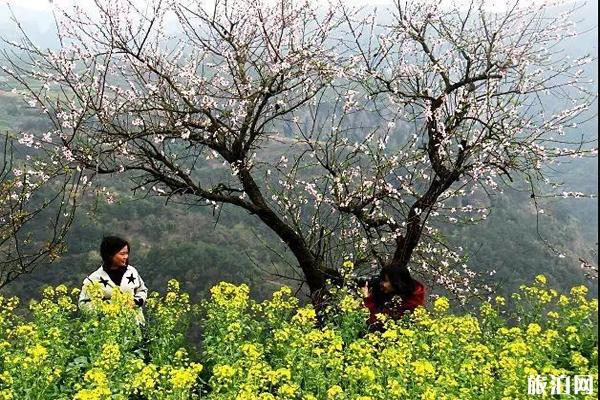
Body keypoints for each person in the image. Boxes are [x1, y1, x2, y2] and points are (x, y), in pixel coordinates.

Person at [79, 235, 148, 324]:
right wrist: (105, 309)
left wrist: (135, 302)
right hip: (107, 328)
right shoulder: (93, 279)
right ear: (110, 255)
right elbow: (83, 304)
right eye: (122, 254)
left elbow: (142, 290)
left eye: (127, 253)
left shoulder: (132, 272)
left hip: (134, 325)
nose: (125, 257)